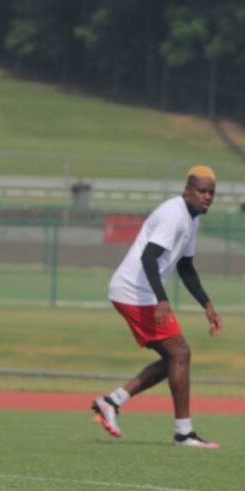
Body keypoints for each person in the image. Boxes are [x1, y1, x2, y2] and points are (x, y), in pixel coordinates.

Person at [91, 165, 222, 449]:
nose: (207, 196)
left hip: (142, 294)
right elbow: (149, 258)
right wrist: (162, 298)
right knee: (180, 353)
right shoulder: (174, 214)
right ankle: (183, 433)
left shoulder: (192, 218)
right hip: (134, 292)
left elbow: (186, 267)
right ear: (187, 191)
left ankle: (112, 401)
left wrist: (207, 304)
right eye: (201, 191)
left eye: (211, 192)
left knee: (175, 358)